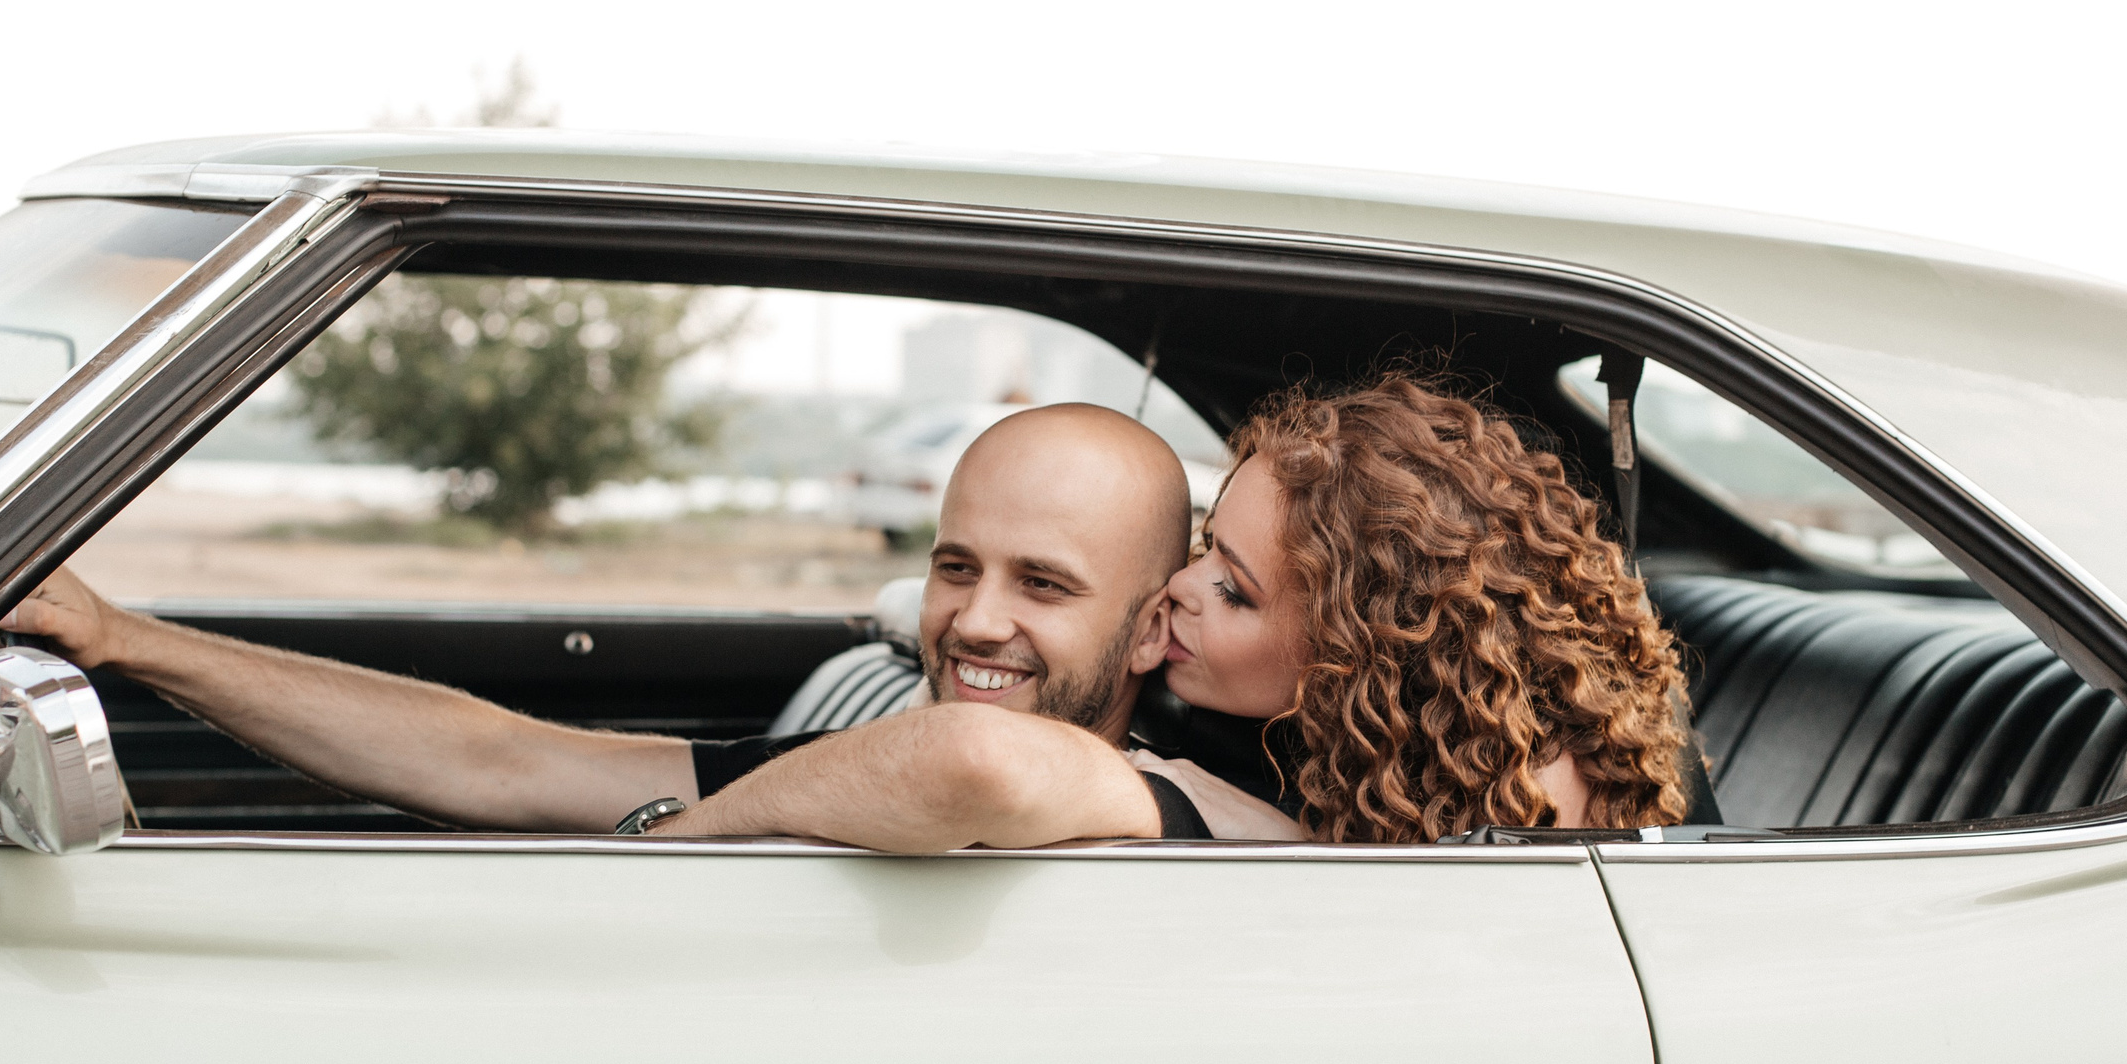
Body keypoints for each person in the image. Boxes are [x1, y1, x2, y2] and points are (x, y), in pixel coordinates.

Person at [0, 402, 1203, 848]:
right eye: (954, 568)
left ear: (1152, 630)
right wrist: (127, 640)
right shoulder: (869, 751)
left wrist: (679, 844)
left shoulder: (1184, 808)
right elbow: (498, 757)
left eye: (1043, 586)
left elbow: (981, 765)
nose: (974, 622)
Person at [678, 368, 1692, 847]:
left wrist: (676, 843)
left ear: (1362, 646)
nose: (1180, 590)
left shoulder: (1536, 815)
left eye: (1233, 590)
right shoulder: (1347, 739)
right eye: (1208, 547)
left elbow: (978, 760)